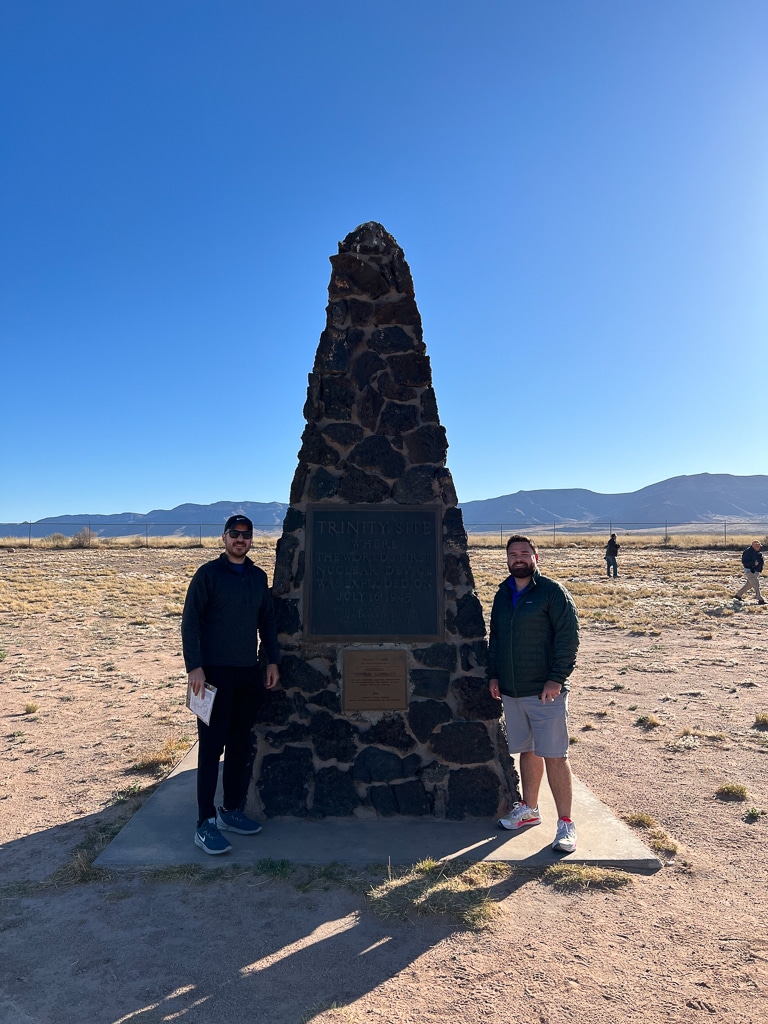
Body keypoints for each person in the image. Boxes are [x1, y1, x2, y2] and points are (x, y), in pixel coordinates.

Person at [181, 514, 281, 855]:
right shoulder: (208, 575)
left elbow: (266, 621)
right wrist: (194, 667)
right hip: (212, 677)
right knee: (211, 749)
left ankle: (231, 811)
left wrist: (272, 660)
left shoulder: (257, 577)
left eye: (246, 535)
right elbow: (190, 622)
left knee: (239, 745)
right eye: (235, 534)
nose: (241, 539)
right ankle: (204, 823)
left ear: (252, 540)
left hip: (247, 673)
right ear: (224, 538)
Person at [487, 535, 580, 853]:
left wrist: (556, 679)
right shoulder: (503, 593)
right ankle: (530, 810)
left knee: (554, 755)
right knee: (527, 750)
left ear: (535, 557)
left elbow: (569, 637)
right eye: (512, 554)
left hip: (545, 693)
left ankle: (566, 823)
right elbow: (496, 638)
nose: (518, 559)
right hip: (513, 691)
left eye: (524, 553)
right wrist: (494, 674)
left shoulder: (552, 592)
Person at [735, 540, 766, 605]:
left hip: (756, 572)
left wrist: (761, 565)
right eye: (757, 546)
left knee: (749, 585)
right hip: (749, 571)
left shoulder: (758, 553)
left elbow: (760, 561)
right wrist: (753, 564)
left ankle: (738, 595)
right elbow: (744, 562)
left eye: (759, 546)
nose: (758, 547)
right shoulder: (747, 552)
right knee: (756, 584)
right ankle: (760, 599)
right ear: (753, 545)